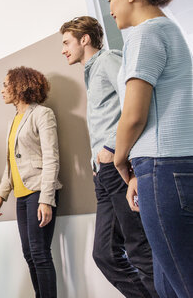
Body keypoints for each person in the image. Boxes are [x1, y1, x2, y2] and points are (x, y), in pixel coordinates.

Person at [109, 0, 193, 297]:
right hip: (174, 168)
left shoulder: (145, 34)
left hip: (161, 169)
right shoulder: (171, 29)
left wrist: (120, 162)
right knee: (168, 286)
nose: (111, 8)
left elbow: (133, 116)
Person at [60, 16, 157, 297]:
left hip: (118, 168)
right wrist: (95, 161)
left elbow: (135, 104)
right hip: (103, 174)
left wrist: (113, 149)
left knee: (138, 249)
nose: (64, 49)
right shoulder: (91, 72)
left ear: (84, 39)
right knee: (104, 254)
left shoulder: (109, 60)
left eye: (67, 42)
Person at [0, 66, 62, 298]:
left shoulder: (42, 113)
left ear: (19, 86)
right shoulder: (14, 121)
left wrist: (46, 199)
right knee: (29, 254)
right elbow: (11, 163)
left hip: (39, 192)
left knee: (40, 253)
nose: (2, 90)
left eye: (5, 85)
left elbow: (52, 157)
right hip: (21, 196)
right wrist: (1, 195)